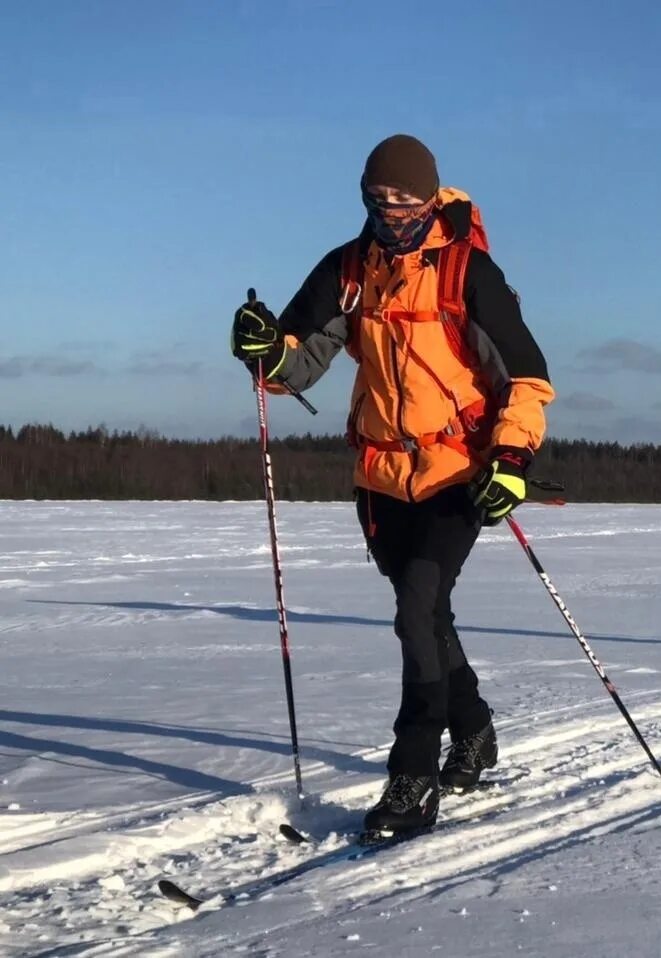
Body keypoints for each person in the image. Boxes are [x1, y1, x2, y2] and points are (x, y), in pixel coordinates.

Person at [230, 134, 555, 834]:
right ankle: (474, 730)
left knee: (416, 609)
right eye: (377, 201)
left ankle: (412, 779)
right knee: (427, 617)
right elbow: (294, 364)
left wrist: (512, 460)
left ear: (431, 198)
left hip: (455, 472)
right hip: (379, 477)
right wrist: (261, 350)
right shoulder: (349, 270)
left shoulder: (470, 273)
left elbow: (526, 377)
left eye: (405, 202)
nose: (391, 213)